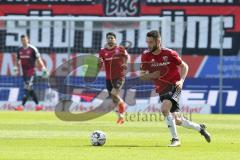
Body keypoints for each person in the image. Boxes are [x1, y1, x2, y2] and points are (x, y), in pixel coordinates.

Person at [140, 30, 211, 147]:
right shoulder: (146, 55)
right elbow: (143, 76)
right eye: (147, 42)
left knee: (164, 109)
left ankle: (175, 139)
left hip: (174, 86)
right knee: (177, 120)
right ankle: (200, 128)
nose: (148, 45)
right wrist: (151, 75)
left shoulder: (169, 53)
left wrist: (181, 81)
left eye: (151, 42)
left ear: (158, 41)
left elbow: (184, 66)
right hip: (161, 89)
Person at [98, 32, 129, 124]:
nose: (110, 39)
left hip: (119, 76)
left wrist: (125, 63)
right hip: (108, 78)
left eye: (112, 38)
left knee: (114, 93)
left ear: (115, 39)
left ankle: (122, 111)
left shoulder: (120, 49)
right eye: (108, 38)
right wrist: (99, 62)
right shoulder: (102, 51)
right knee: (113, 98)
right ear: (106, 40)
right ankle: (121, 115)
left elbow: (127, 56)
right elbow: (99, 65)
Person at [14, 35, 48, 111]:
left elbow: (39, 59)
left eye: (25, 40)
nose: (23, 41)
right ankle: (38, 106)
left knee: (27, 87)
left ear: (28, 40)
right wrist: (16, 67)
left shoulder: (32, 49)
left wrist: (43, 68)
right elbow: (17, 59)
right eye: (22, 40)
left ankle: (22, 106)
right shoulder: (19, 49)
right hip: (24, 73)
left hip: (31, 72)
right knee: (30, 89)